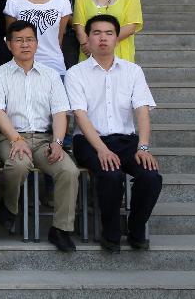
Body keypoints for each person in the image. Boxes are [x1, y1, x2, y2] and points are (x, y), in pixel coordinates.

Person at [67, 14, 162, 253]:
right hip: (89, 141)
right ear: (88, 39)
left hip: (126, 140)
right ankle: (110, 232)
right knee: (110, 174)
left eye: (109, 33)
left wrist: (143, 147)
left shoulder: (133, 71)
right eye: (97, 33)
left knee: (151, 177)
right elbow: (80, 115)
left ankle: (136, 228)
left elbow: (142, 110)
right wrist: (101, 149)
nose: (103, 38)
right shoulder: (76, 73)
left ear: (117, 38)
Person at [0, 20, 79, 252]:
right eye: (19, 40)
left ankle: (61, 229)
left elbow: (60, 112)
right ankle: (10, 206)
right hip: (10, 137)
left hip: (43, 140)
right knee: (18, 164)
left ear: (37, 43)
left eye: (29, 39)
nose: (25, 44)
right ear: (8, 44)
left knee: (69, 171)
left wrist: (57, 142)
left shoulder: (51, 75)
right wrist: (16, 139)